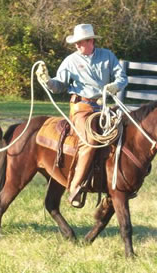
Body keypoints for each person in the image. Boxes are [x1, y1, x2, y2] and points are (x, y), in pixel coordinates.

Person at [35, 23, 128, 207]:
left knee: (125, 135)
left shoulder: (107, 56)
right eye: (76, 43)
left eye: (80, 42)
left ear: (90, 41)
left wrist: (115, 86)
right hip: (81, 107)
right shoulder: (70, 61)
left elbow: (122, 77)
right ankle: (76, 187)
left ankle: (119, 182)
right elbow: (59, 85)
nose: (77, 46)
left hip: (103, 107)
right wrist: (47, 81)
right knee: (90, 141)